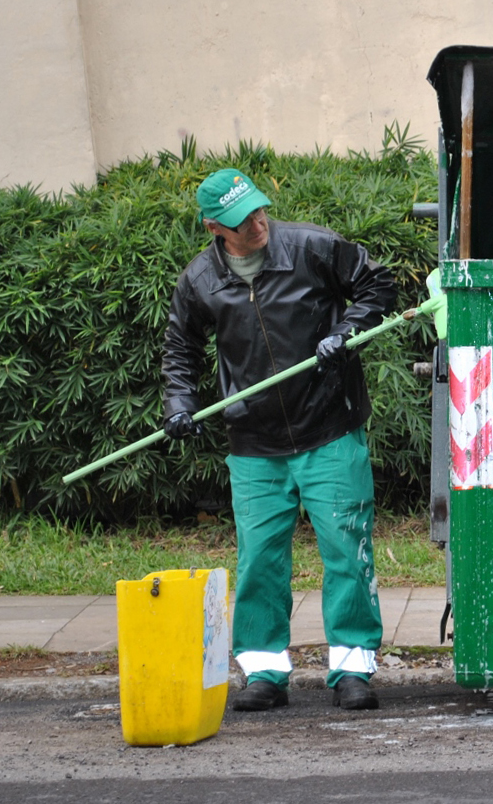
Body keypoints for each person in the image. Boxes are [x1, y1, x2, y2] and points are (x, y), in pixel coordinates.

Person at [161, 167, 397, 711]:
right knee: (260, 559)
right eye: (243, 221)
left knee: (346, 547)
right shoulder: (199, 280)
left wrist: (348, 330)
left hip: (329, 428)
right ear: (215, 228)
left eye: (260, 210)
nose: (259, 224)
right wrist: (180, 405)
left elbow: (376, 283)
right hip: (253, 441)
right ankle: (264, 672)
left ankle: (353, 666)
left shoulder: (313, 246)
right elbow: (180, 349)